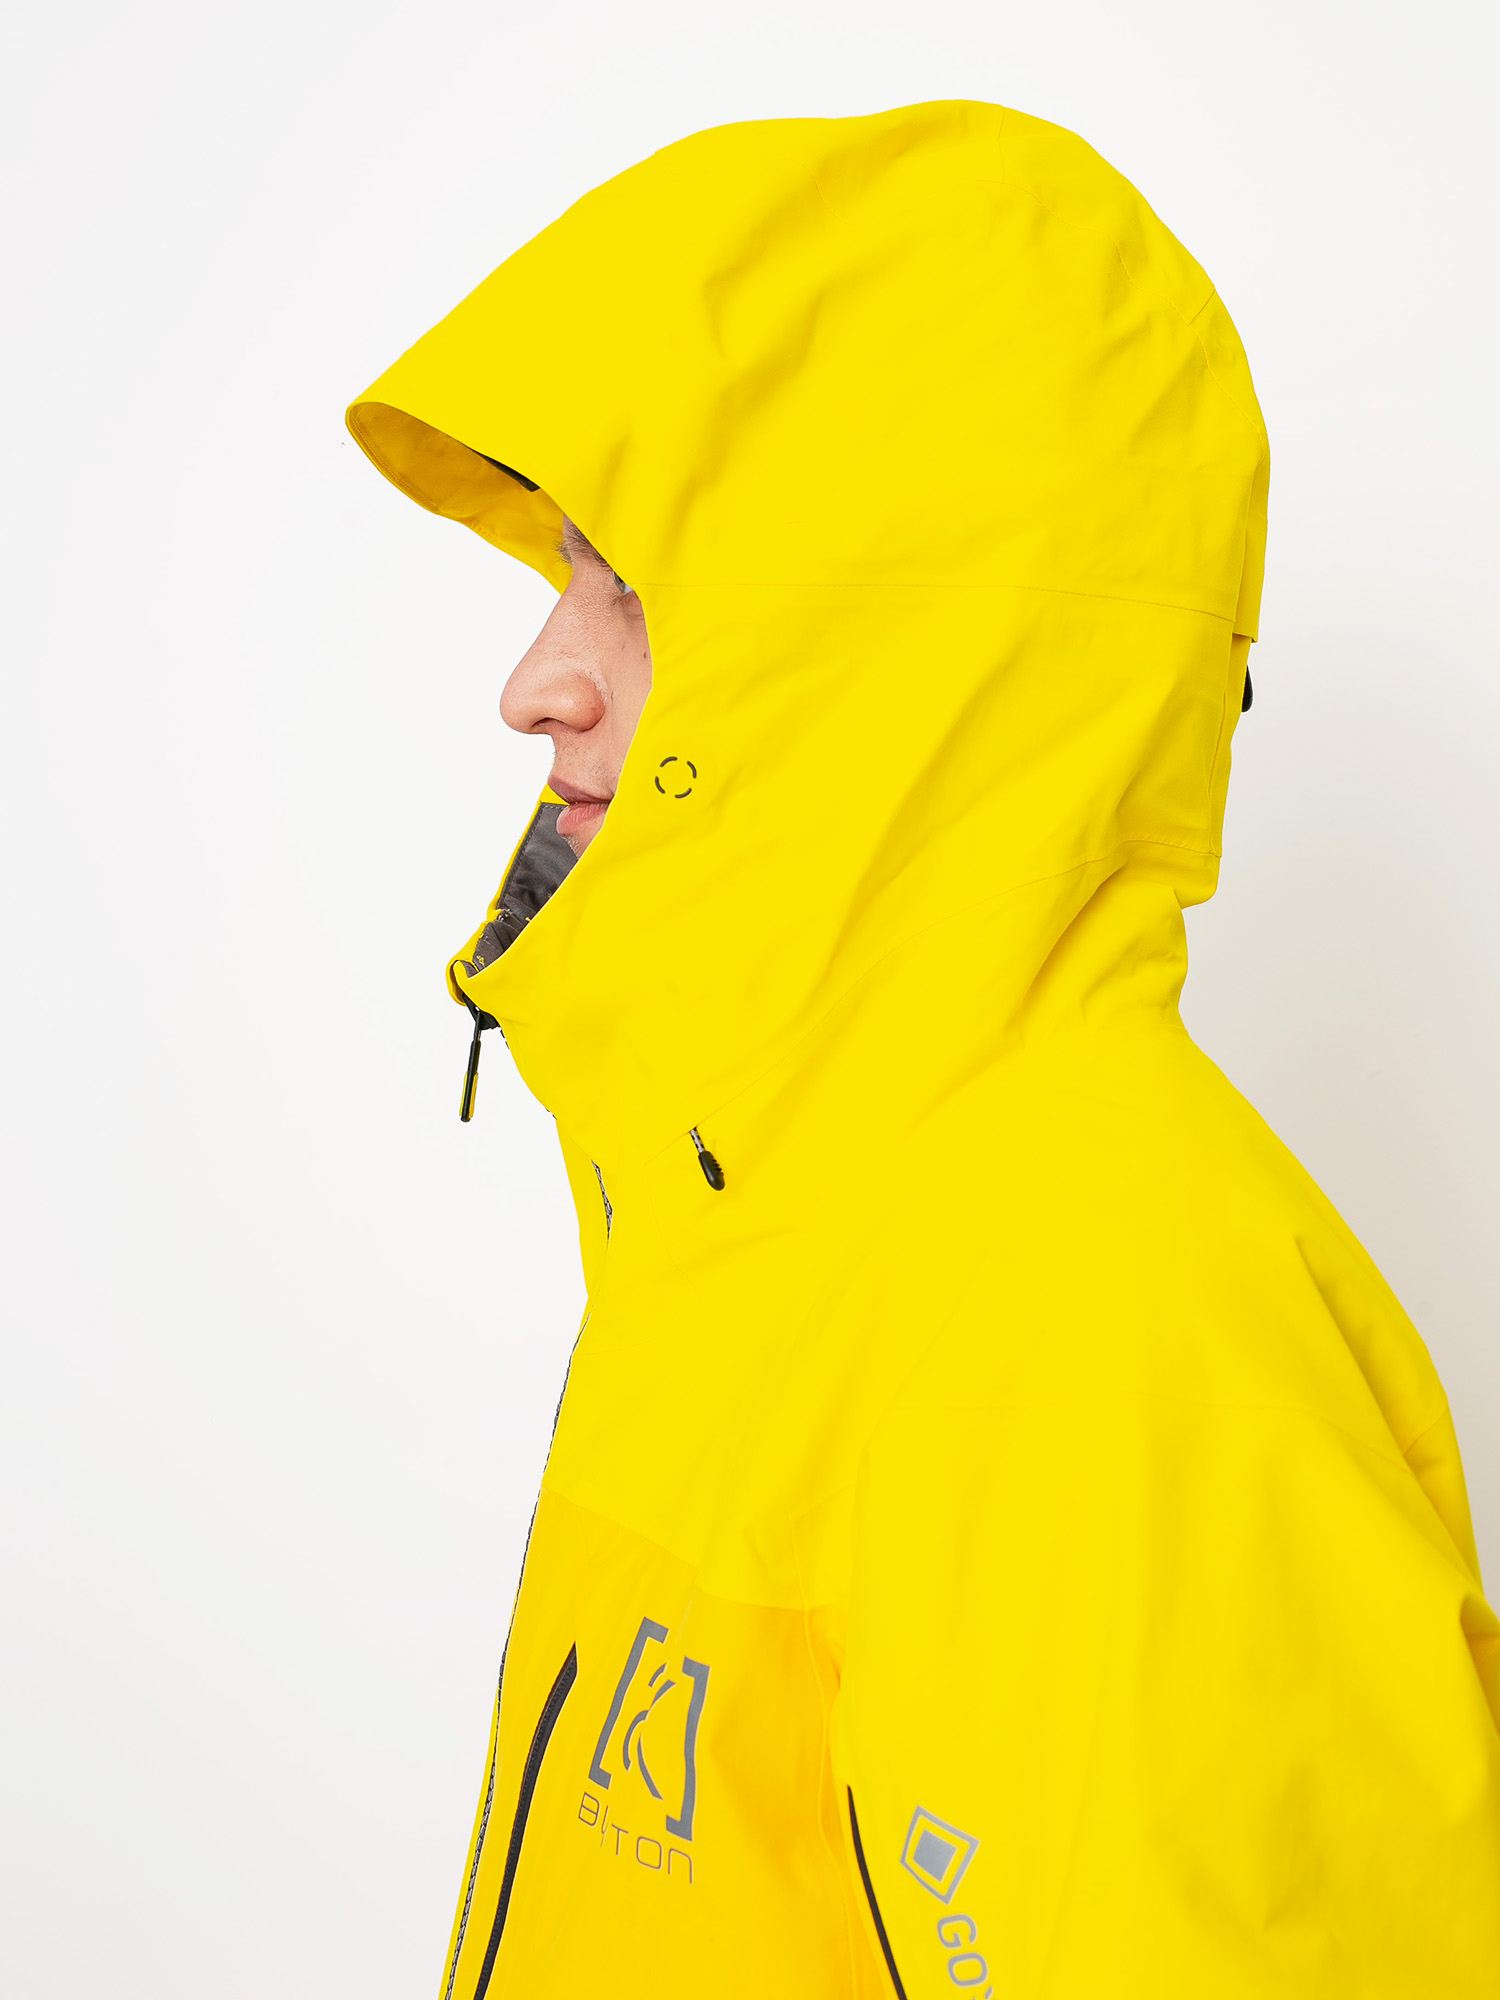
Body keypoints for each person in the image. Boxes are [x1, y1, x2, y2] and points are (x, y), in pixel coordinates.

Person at [347, 101, 1500, 2000]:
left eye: (633, 588)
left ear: (907, 652)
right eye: (565, 578)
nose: (535, 681)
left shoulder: (1100, 1344)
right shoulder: (762, 1224)